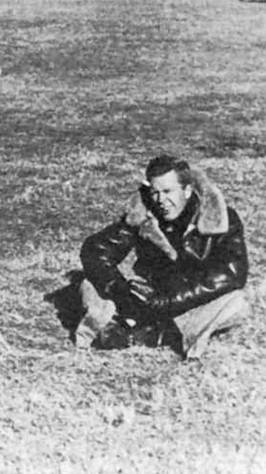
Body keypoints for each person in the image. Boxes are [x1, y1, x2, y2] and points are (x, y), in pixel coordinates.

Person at [77, 154, 250, 359]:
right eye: (155, 192)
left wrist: (168, 302)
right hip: (149, 293)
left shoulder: (220, 218)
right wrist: (120, 290)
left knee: (235, 302)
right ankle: (129, 327)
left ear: (187, 190)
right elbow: (95, 250)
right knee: (90, 284)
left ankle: (156, 333)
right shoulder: (145, 213)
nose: (161, 201)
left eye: (168, 192)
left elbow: (231, 273)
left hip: (191, 300)